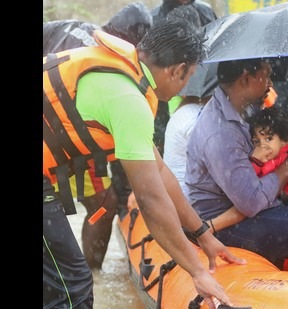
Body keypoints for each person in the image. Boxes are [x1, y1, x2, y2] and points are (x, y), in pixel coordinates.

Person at [43, 17, 245, 309]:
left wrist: (202, 234)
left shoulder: (124, 74)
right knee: (72, 285)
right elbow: (150, 199)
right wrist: (197, 272)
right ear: (177, 70)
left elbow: (160, 172)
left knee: (61, 280)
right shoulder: (128, 100)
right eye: (187, 78)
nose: (183, 88)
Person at [185, 58, 288, 273]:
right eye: (266, 75)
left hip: (246, 209)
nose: (270, 83)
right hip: (221, 226)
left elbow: (266, 164)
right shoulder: (221, 134)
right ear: (245, 79)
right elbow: (251, 202)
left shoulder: (244, 110)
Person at [42, 1, 152, 270]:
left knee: (100, 205)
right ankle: (84, 273)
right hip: (59, 134)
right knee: (100, 206)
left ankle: (86, 274)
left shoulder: (79, 32)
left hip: (70, 133)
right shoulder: (98, 58)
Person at [150, 0, 218, 156]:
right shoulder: (153, 20)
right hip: (163, 102)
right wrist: (160, 137)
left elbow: (217, 58)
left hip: (204, 96)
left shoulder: (206, 12)